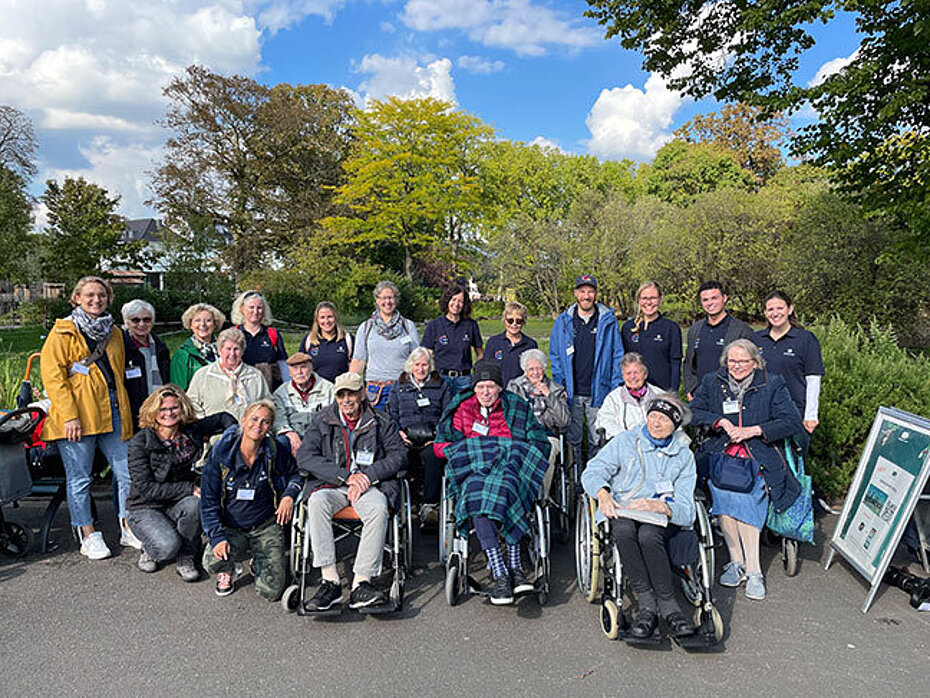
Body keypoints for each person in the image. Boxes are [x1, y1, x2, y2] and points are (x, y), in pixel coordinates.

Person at [690, 339, 803, 601]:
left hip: (758, 454)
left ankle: (753, 570)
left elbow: (790, 420)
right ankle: (736, 562)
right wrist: (719, 421)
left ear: (755, 362)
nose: (736, 366)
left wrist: (755, 430)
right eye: (732, 361)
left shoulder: (771, 383)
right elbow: (693, 412)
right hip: (721, 453)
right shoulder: (712, 381)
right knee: (723, 496)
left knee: (747, 497)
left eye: (742, 361)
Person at [434, 360, 551, 605]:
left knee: (506, 486)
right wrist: (472, 450)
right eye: (481, 387)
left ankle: (514, 565)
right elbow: (441, 446)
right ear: (474, 388)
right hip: (474, 473)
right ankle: (501, 569)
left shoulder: (517, 406)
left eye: (491, 386)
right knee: (477, 492)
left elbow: (539, 442)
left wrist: (515, 452)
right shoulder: (463, 408)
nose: (485, 392)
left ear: (500, 388)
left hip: (510, 471)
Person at [40, 276, 139, 560]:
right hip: (77, 413)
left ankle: (128, 525)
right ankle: (87, 533)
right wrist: (70, 416)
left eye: (102, 295)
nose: (96, 300)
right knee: (80, 478)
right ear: (77, 298)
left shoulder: (116, 333)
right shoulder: (62, 332)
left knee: (127, 472)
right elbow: (53, 378)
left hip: (112, 409)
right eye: (90, 295)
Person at [582, 394, 697, 638]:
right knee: (623, 530)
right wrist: (602, 494)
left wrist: (664, 508)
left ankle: (669, 607)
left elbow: (687, 509)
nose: (655, 423)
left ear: (675, 425)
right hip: (621, 507)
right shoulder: (625, 441)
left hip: (659, 517)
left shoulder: (684, 456)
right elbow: (593, 471)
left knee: (648, 535)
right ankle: (646, 606)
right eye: (652, 416)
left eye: (663, 419)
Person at [297, 372, 407, 612]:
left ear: (362, 393)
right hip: (332, 485)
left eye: (352, 393)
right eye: (342, 394)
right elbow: (305, 457)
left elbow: (399, 455)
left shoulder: (381, 420)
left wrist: (367, 476)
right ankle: (330, 581)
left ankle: (361, 583)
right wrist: (345, 476)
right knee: (316, 502)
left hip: (370, 486)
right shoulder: (321, 420)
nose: (347, 399)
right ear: (336, 397)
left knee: (379, 508)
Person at [126, 386, 235, 580]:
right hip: (145, 506)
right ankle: (151, 548)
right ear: (153, 411)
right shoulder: (139, 443)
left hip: (178, 502)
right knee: (167, 547)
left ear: (182, 408)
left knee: (196, 504)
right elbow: (146, 488)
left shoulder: (190, 431)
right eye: (162, 409)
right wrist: (189, 488)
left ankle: (187, 556)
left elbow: (223, 418)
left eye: (174, 408)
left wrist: (233, 435)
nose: (169, 413)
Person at [200, 400, 301, 599]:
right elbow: (208, 503)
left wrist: (289, 495)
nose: (258, 425)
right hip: (231, 526)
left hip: (265, 525)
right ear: (243, 421)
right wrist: (218, 538)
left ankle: (259, 559)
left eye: (265, 422)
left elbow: (295, 475)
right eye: (254, 419)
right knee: (212, 561)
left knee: (271, 592)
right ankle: (228, 569)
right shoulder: (220, 455)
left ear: (270, 427)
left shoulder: (274, 449)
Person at [549, 274, 624, 468]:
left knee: (596, 438)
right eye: (582, 291)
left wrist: (615, 387)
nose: (586, 296)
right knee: (573, 439)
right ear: (576, 294)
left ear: (595, 294)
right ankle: (575, 481)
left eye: (590, 291)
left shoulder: (607, 321)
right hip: (572, 392)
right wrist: (560, 385)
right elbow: (556, 355)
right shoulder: (564, 321)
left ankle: (594, 479)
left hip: (599, 391)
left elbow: (617, 356)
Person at [386, 347, 452, 527]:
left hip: (432, 437)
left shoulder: (442, 385)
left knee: (434, 455)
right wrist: (398, 432)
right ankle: (397, 504)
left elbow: (448, 414)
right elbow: (390, 414)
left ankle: (429, 506)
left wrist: (438, 434)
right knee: (396, 457)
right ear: (410, 366)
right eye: (417, 365)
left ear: (430, 366)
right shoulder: (399, 386)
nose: (421, 369)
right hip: (404, 437)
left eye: (424, 365)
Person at [754, 290, 824, 455]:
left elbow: (813, 378)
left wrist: (811, 415)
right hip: (761, 413)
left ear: (790, 309)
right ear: (765, 313)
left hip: (793, 412)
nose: (775, 313)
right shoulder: (756, 340)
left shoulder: (806, 339)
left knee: (791, 466)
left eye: (780, 308)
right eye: (770, 309)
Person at [505, 348, 570, 493]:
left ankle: (541, 495)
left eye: (538, 368)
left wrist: (548, 395)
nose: (535, 372)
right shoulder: (514, 387)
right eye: (531, 369)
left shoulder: (555, 389)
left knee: (549, 450)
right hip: (520, 434)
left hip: (546, 434)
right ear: (524, 371)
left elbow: (563, 422)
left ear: (544, 368)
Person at [349, 281, 420, 411]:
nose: (387, 302)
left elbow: (417, 359)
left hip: (403, 387)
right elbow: (359, 361)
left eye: (391, 297)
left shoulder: (408, 326)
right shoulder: (366, 327)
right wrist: (350, 387)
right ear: (376, 300)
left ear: (396, 299)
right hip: (375, 391)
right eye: (383, 298)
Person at [683, 280, 754, 399]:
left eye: (714, 298)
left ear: (724, 298)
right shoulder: (695, 329)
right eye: (705, 300)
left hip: (731, 397)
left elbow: (752, 366)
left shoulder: (742, 330)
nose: (710, 303)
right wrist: (690, 389)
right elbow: (689, 363)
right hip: (701, 396)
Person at [186, 328, 272, 421]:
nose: (232, 354)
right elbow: (192, 403)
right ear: (219, 350)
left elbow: (267, 403)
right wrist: (205, 424)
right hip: (215, 433)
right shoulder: (203, 375)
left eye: (236, 349)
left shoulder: (255, 376)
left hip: (249, 432)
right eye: (228, 349)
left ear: (243, 351)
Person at [421, 284, 484, 394]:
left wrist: (477, 373)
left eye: (460, 301)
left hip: (464, 380)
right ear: (447, 301)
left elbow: (480, 353)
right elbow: (427, 355)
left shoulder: (471, 325)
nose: (456, 304)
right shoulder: (434, 325)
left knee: (463, 411)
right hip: (440, 378)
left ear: (464, 304)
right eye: (453, 299)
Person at [620, 282, 682, 392]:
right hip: (633, 391)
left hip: (661, 391)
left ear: (660, 299)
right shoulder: (627, 328)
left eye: (653, 298)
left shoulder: (671, 328)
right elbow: (622, 362)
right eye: (644, 298)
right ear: (638, 300)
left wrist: (672, 394)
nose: (648, 302)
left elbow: (675, 365)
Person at [272, 352, 334, 457]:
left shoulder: (328, 388)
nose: (299, 372)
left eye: (303, 367)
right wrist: (290, 434)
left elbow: (332, 418)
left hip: (320, 435)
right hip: (294, 435)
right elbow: (279, 420)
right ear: (289, 372)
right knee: (281, 441)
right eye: (295, 368)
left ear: (311, 368)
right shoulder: (281, 393)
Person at [120, 299, 170, 428]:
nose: (141, 324)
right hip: (130, 412)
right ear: (126, 322)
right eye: (135, 320)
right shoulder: (120, 347)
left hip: (158, 409)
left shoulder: (160, 348)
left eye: (146, 320)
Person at [595, 353, 665, 442]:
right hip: (624, 446)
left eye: (636, 372)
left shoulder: (660, 395)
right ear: (623, 376)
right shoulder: (613, 398)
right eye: (628, 373)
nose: (632, 377)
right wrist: (628, 438)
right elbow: (605, 421)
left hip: (655, 446)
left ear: (645, 374)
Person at [231, 290, 289, 391]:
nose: (255, 311)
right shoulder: (233, 333)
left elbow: (283, 366)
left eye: (259, 308)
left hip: (270, 390)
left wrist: (288, 388)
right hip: (242, 390)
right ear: (242, 309)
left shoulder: (273, 334)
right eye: (251, 307)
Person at [170, 303, 226, 391]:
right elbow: (178, 391)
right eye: (197, 320)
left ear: (215, 324)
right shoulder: (182, 355)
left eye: (208, 320)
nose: (203, 324)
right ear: (190, 324)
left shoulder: (225, 350)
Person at [483, 301, 538, 388]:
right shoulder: (493, 342)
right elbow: (486, 369)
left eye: (519, 321)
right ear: (504, 321)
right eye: (510, 320)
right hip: (498, 391)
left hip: (521, 392)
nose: (514, 324)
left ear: (524, 322)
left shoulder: (530, 345)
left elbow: (534, 372)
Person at [298, 301, 353, 383]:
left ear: (336, 318)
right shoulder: (309, 340)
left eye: (330, 317)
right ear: (317, 320)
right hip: (316, 391)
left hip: (340, 391)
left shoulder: (348, 339)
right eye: (322, 317)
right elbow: (300, 367)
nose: (326, 321)